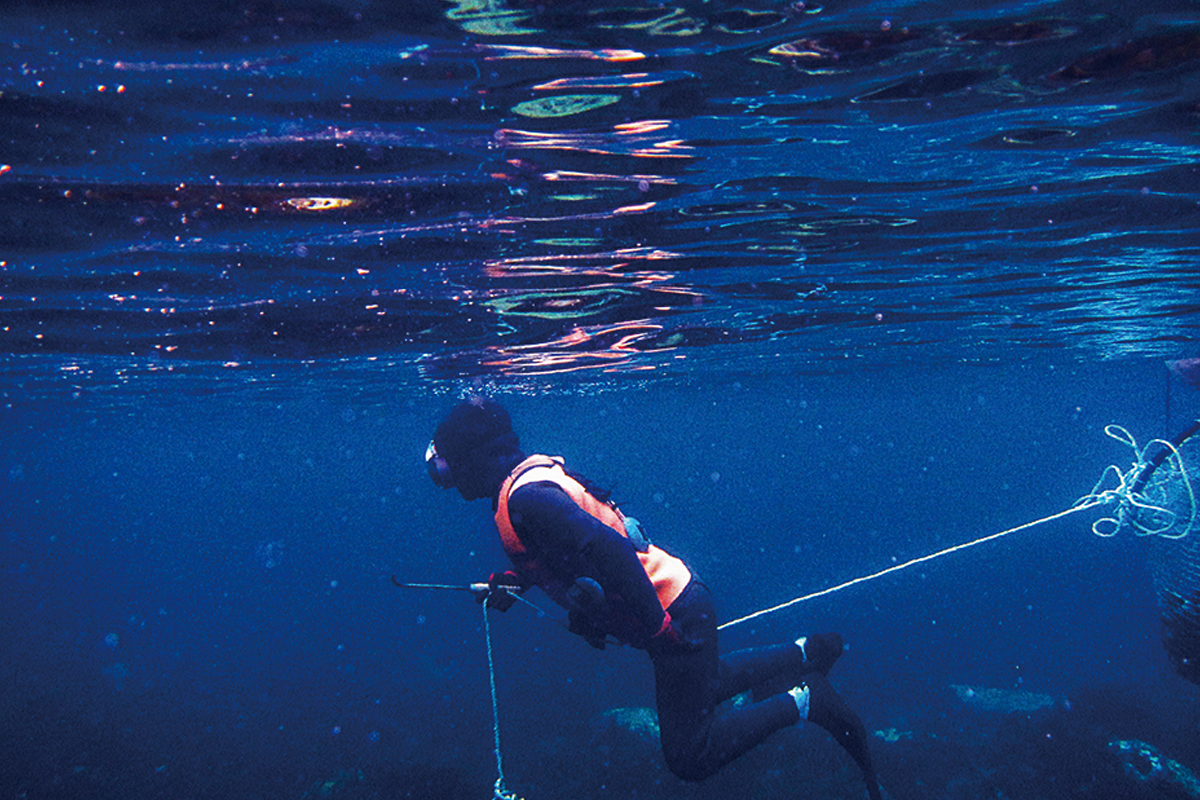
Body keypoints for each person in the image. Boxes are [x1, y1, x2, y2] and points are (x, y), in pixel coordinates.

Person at [426, 397, 882, 799]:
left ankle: (807, 700)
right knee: (704, 681)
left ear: (473, 459)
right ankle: (807, 650)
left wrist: (657, 627)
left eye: (446, 467)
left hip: (673, 609)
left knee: (690, 756)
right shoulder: (527, 483)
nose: (447, 481)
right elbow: (564, 551)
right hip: (680, 597)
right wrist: (517, 580)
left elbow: (608, 547)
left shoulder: (526, 499)